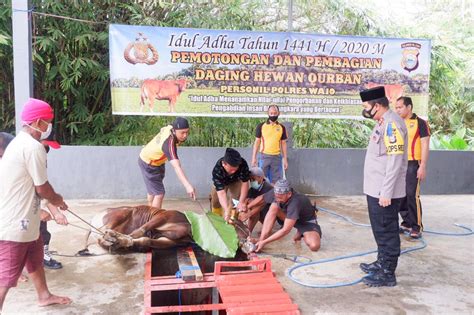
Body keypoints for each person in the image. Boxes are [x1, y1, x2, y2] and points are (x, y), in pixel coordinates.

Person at [0, 98, 71, 311]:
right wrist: (57, 201)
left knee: (35, 259)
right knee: (7, 277)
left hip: (27, 219)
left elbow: (32, 185)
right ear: (39, 122)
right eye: (48, 121)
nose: (49, 126)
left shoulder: (19, 143)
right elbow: (42, 188)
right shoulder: (32, 147)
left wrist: (51, 207)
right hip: (15, 223)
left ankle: (44, 295)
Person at [358, 86, 408, 287]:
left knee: (387, 230)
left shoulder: (392, 125)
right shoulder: (382, 122)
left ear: (377, 105)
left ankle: (388, 273)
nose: (365, 109)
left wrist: (386, 192)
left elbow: (395, 161)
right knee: (380, 229)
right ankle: (381, 263)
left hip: (384, 192)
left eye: (366, 106)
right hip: (375, 188)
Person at [138, 117, 196, 209]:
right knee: (159, 193)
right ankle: (154, 218)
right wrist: (188, 186)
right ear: (174, 131)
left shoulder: (170, 128)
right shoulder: (169, 144)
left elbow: (163, 128)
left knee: (153, 188)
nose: (185, 135)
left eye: (187, 132)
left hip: (156, 161)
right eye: (182, 132)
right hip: (149, 163)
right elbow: (177, 167)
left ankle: (149, 209)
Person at [395, 96, 430, 239]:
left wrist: (422, 166)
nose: (397, 110)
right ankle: (407, 222)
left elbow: (425, 145)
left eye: (400, 107)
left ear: (409, 107)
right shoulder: (396, 122)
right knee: (400, 195)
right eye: (396, 107)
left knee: (412, 195)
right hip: (398, 163)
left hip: (413, 163)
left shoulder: (420, 123)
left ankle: (417, 226)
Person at [254, 179, 322, 252]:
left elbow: (285, 230)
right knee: (274, 206)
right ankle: (261, 239)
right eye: (276, 197)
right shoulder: (278, 192)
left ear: (289, 194)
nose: (277, 199)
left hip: (306, 223)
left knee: (314, 246)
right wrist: (244, 207)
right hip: (290, 218)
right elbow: (261, 198)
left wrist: (265, 242)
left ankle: (302, 232)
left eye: (280, 198)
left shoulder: (295, 202)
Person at [41, 131, 68, 269]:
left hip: (30, 205)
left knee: (42, 232)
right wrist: (39, 212)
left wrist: (56, 211)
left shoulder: (40, 161)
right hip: (13, 207)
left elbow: (43, 189)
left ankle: (41, 256)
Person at [210, 148, 250, 223]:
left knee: (234, 202)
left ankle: (232, 221)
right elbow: (221, 193)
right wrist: (226, 210)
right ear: (224, 164)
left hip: (236, 181)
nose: (233, 171)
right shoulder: (217, 169)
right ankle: (217, 220)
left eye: (235, 169)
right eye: (231, 170)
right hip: (222, 183)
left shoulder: (243, 164)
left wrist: (241, 202)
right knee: (215, 201)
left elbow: (245, 183)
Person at [251, 105, 288, 183]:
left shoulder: (282, 127)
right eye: (271, 113)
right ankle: (262, 195)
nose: (273, 115)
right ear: (268, 113)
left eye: (275, 113)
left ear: (279, 113)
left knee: (277, 181)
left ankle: (274, 195)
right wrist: (254, 157)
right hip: (264, 157)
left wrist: (285, 159)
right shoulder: (261, 126)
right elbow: (257, 142)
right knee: (261, 179)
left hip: (277, 158)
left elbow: (283, 143)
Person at [238, 167, 274, 233]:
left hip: (269, 211)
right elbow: (246, 199)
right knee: (249, 204)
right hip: (263, 210)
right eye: (250, 180)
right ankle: (248, 231)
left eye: (253, 179)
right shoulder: (253, 188)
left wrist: (248, 214)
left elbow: (261, 205)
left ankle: (267, 228)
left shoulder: (268, 188)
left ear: (260, 177)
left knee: (254, 209)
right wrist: (243, 209)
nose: (251, 181)